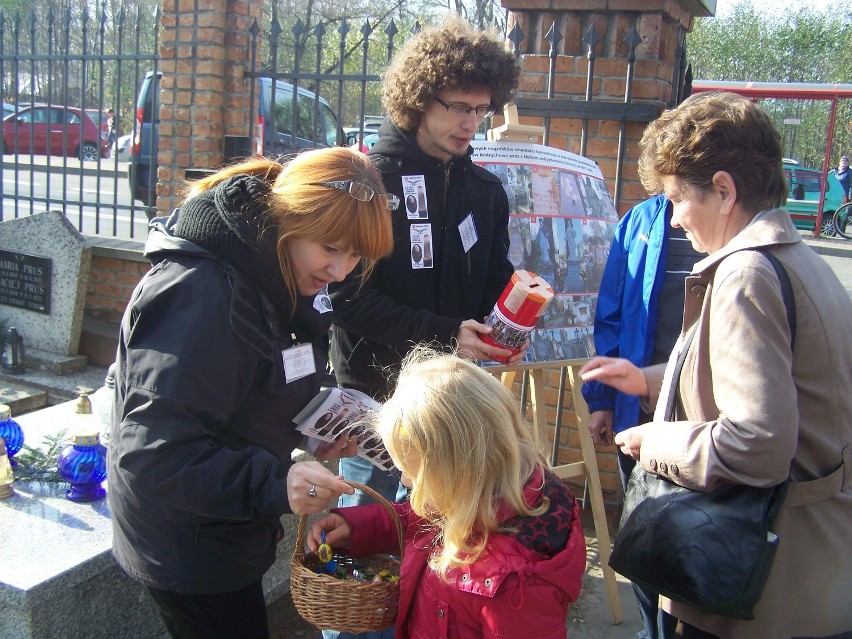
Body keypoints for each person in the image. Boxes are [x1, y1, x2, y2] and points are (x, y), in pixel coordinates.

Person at [579, 91, 852, 638]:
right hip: (809, 573)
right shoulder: (801, 260)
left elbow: (756, 442)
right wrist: (649, 380)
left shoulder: (745, 275)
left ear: (724, 191)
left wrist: (653, 442)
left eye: (679, 199)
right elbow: (763, 379)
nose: (675, 220)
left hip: (760, 584)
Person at [108, 147, 396, 639]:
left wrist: (310, 431)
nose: (341, 271)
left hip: (225, 523)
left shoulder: (274, 275)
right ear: (289, 218)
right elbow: (150, 454)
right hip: (188, 538)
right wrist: (274, 482)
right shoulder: (200, 293)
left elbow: (250, 385)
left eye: (355, 256)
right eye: (331, 248)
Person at [328, 20, 526, 637]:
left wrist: (514, 311)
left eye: (482, 109)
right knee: (364, 566)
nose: (471, 122)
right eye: (458, 106)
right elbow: (347, 299)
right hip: (375, 409)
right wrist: (446, 333)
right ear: (419, 97)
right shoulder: (368, 181)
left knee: (434, 571)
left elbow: (493, 272)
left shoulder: (486, 189)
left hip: (453, 415)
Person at [307, 349, 586, 639]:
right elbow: (424, 520)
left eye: (413, 474)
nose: (406, 481)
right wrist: (357, 527)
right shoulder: (483, 493)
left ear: (455, 472)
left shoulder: (515, 589)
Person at [581, 194, 701, 639]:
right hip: (637, 413)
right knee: (641, 533)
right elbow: (610, 314)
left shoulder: (730, 221)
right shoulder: (640, 220)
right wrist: (602, 400)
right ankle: (649, 629)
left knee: (694, 546)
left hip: (700, 419)